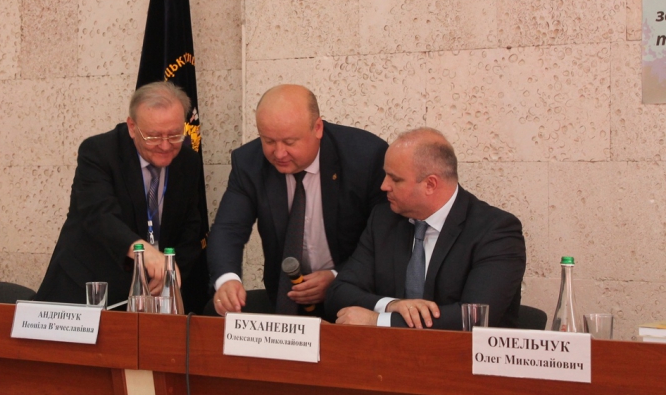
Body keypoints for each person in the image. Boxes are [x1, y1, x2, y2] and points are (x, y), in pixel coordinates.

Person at [207, 84, 388, 317]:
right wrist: (227, 279)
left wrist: (338, 276)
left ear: (318, 128)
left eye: (290, 142)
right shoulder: (249, 163)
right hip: (286, 299)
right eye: (268, 141)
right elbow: (228, 228)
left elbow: (384, 240)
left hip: (354, 299)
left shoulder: (366, 157)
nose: (279, 153)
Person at [326, 128, 526, 329]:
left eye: (395, 179)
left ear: (430, 184)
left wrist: (378, 320)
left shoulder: (496, 231)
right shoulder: (383, 220)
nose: (384, 186)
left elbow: (474, 318)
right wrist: (391, 305)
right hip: (385, 349)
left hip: (459, 349)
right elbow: (339, 292)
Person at [35, 82, 203, 306]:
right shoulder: (99, 152)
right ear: (132, 127)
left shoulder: (188, 161)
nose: (165, 146)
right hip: (86, 288)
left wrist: (171, 269)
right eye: (153, 137)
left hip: (152, 294)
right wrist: (145, 253)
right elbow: (99, 215)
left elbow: (191, 227)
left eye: (174, 135)